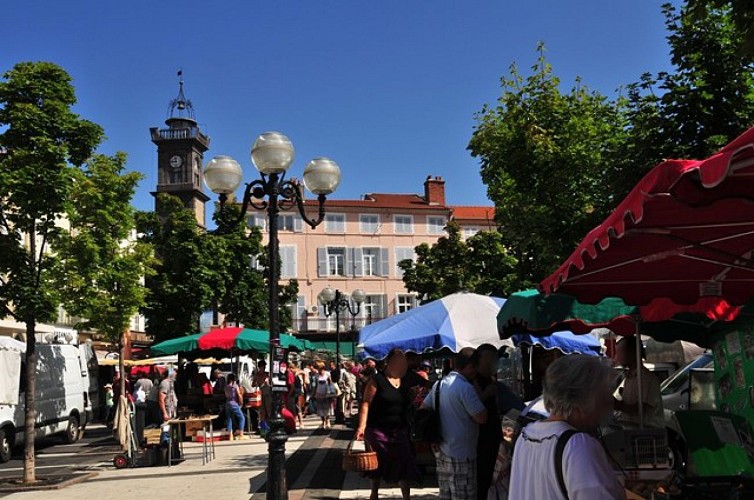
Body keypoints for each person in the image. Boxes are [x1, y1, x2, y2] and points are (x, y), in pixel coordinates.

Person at [509, 354, 625, 500]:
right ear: (585, 399)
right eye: (604, 395)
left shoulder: (526, 435)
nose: (608, 404)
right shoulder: (578, 445)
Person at [423, 348, 487, 500]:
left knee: (446, 495)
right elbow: (482, 418)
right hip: (462, 454)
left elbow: (424, 409)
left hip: (442, 451)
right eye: (476, 368)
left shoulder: (439, 385)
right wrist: (483, 395)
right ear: (470, 367)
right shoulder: (465, 388)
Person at [356, 348, 419, 500]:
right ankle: (374, 494)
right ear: (388, 363)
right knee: (377, 464)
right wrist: (361, 427)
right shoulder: (377, 380)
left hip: (400, 430)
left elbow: (423, 388)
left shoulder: (405, 380)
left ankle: (406, 497)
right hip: (378, 430)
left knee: (404, 463)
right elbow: (365, 403)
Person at [614, 336, 665, 428]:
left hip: (647, 435)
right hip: (631, 431)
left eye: (620, 352)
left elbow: (641, 408)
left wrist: (617, 404)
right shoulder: (629, 377)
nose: (617, 357)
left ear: (633, 352)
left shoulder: (646, 378)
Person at [474, 344, 503, 500]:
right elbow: (472, 408)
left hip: (493, 436)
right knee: (482, 479)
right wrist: (485, 394)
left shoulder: (491, 380)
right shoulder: (474, 381)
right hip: (481, 439)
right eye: (490, 359)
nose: (493, 363)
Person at [224, 373, 247, 440]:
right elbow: (239, 394)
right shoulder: (235, 386)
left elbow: (226, 395)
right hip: (234, 404)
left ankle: (230, 435)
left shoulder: (226, 387)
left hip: (227, 403)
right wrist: (241, 402)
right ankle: (241, 434)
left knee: (229, 419)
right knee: (242, 418)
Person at [313, 362, 333, 429]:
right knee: (320, 408)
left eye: (319, 368)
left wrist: (331, 391)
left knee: (326, 407)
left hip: (326, 392)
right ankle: (323, 421)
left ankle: (327, 420)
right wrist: (314, 393)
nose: (318, 369)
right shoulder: (316, 375)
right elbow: (315, 385)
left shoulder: (327, 374)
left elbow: (330, 383)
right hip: (319, 392)